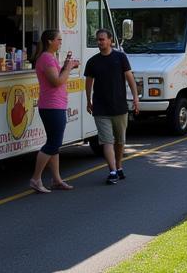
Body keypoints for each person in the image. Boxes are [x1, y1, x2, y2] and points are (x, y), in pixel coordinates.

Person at [84, 28, 139, 185]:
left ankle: (119, 166)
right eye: (98, 40)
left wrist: (135, 98)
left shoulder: (120, 58)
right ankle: (113, 171)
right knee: (106, 141)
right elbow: (88, 83)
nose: (100, 42)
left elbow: (129, 78)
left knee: (120, 141)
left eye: (102, 39)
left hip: (119, 106)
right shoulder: (93, 61)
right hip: (101, 108)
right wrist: (88, 100)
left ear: (110, 41)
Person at [29, 29, 77, 193]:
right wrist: (69, 68)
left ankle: (56, 179)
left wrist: (65, 65)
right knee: (53, 143)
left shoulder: (49, 58)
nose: (60, 42)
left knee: (55, 144)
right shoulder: (46, 58)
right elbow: (56, 81)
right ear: (50, 41)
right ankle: (36, 178)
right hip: (51, 106)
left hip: (55, 105)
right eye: (58, 39)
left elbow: (57, 76)